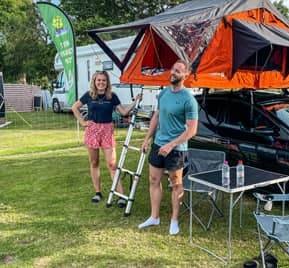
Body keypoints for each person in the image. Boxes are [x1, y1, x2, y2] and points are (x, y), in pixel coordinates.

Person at [138, 59, 198, 235]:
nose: (173, 72)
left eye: (178, 71)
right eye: (173, 69)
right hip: (158, 144)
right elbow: (156, 116)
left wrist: (171, 145)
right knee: (153, 180)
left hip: (176, 149)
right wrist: (147, 138)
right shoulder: (164, 93)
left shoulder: (189, 99)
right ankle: (154, 217)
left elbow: (192, 130)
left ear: (185, 75)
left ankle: (174, 221)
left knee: (176, 184)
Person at [72, 71, 142, 206]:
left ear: (107, 82)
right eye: (99, 80)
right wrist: (82, 122)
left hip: (107, 130)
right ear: (94, 81)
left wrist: (135, 101)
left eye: (104, 80)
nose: (101, 83)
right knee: (94, 163)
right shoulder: (89, 95)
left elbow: (123, 112)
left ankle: (121, 195)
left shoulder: (112, 96)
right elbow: (75, 107)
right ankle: (97, 192)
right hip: (92, 130)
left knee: (112, 164)